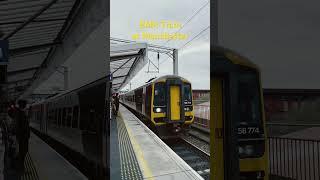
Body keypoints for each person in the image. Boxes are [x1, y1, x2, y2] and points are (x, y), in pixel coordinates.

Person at [15, 99, 30, 174]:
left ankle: (21, 168)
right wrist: (22, 135)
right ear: (22, 105)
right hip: (23, 138)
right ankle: (21, 169)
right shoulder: (20, 114)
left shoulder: (21, 113)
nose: (25, 106)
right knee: (22, 152)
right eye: (25, 104)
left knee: (23, 152)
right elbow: (20, 127)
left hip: (23, 137)